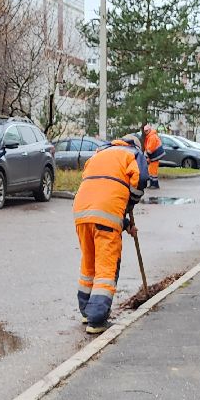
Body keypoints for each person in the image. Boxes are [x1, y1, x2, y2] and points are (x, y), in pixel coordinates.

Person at [74, 133, 144, 334]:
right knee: (106, 269)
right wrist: (130, 202)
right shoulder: (133, 154)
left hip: (82, 211)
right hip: (106, 211)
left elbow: (103, 187)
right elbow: (140, 181)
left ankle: (86, 311)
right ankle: (97, 320)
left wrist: (126, 222)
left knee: (89, 262)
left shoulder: (101, 152)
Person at [142, 123, 164, 191]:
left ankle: (155, 185)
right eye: (145, 131)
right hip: (154, 156)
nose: (145, 132)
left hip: (155, 156)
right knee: (151, 170)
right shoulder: (150, 136)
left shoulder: (152, 137)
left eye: (146, 131)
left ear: (149, 130)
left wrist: (146, 157)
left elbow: (150, 149)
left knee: (153, 171)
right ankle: (152, 184)